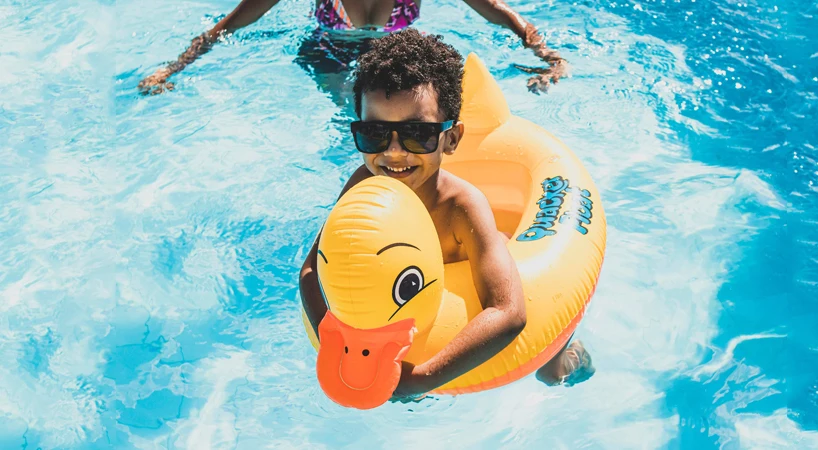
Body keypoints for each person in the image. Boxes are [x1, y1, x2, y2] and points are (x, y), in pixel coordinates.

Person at [298, 29, 592, 399]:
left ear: (451, 139)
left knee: (551, 374)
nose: (393, 153)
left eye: (417, 134)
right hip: (412, 301)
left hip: (499, 271)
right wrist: (332, 336)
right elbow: (312, 269)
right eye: (374, 133)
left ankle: (573, 353)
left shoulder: (461, 207)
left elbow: (509, 313)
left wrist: (419, 380)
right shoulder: (362, 184)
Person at [137, 0, 569, 96]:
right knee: (359, 117)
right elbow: (229, 25)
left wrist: (548, 57)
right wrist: (172, 69)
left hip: (397, 49)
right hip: (327, 51)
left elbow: (500, 13)